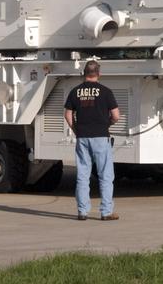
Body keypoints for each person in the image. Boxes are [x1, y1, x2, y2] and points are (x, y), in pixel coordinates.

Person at [64, 60, 120, 221]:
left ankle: (82, 212)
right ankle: (106, 212)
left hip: (83, 137)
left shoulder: (75, 91)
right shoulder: (106, 92)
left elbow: (68, 115)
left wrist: (76, 130)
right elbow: (116, 116)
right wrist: (107, 123)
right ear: (99, 74)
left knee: (82, 175)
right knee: (105, 175)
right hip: (101, 137)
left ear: (84, 73)